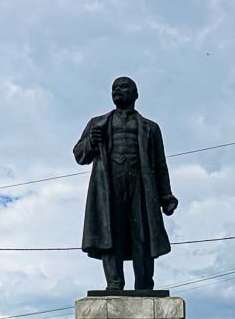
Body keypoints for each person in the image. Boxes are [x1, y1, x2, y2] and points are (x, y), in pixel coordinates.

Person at [73, 77, 178, 291]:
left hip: (142, 185)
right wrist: (91, 141)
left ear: (135, 94)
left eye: (123, 87)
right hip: (109, 185)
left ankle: (144, 285)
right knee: (111, 232)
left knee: (143, 235)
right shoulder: (97, 123)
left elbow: (160, 165)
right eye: (114, 88)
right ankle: (114, 283)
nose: (117, 91)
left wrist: (166, 196)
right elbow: (79, 155)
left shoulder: (151, 128)